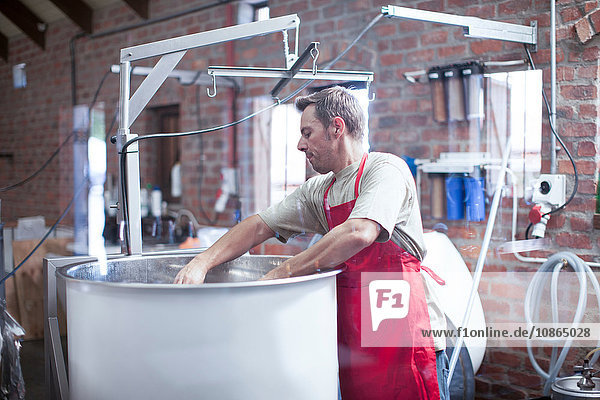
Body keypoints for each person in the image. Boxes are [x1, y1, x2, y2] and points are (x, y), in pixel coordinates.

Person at [175, 86, 449, 400]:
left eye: (307, 132)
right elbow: (259, 225)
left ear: (337, 127)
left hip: (404, 333)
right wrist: (201, 263)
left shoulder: (385, 170)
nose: (299, 144)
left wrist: (281, 273)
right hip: (355, 338)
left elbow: (359, 232)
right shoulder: (319, 189)